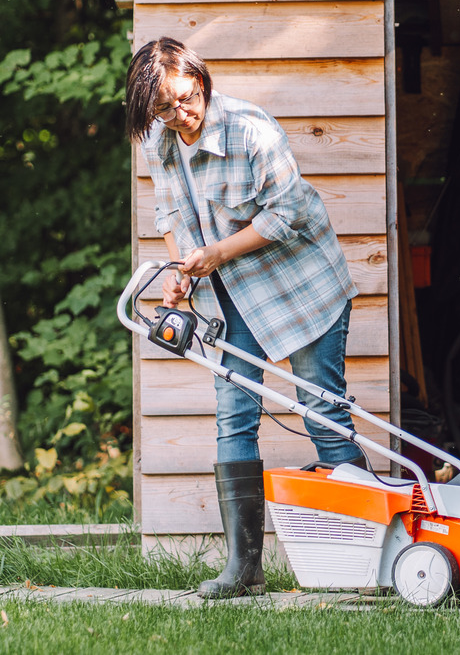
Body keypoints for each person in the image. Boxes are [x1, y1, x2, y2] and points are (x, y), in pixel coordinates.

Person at [125, 37, 364, 599]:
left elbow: (288, 214)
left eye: (185, 98)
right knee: (234, 418)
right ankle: (244, 569)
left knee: (320, 408)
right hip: (225, 291)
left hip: (299, 281)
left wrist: (217, 253)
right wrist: (183, 269)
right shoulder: (159, 139)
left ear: (200, 82)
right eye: (163, 107)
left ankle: (359, 562)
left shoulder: (253, 130)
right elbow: (169, 209)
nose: (180, 114)